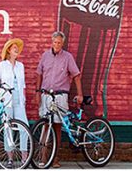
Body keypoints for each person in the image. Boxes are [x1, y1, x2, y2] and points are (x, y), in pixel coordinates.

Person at [36, 31, 84, 168]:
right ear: (51, 42)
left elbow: (76, 75)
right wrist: (37, 92)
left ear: (62, 43)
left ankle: (55, 158)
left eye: (59, 43)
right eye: (54, 42)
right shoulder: (45, 56)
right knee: (45, 125)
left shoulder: (68, 57)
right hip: (46, 95)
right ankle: (43, 157)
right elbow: (39, 73)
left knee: (57, 126)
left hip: (60, 96)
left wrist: (80, 94)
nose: (56, 45)